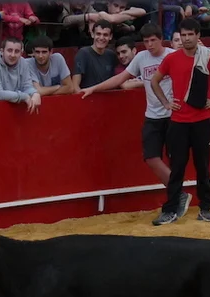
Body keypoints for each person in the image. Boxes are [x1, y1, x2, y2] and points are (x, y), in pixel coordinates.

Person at [81, 24, 190, 214]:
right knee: (151, 157)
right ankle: (179, 193)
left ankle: (177, 198)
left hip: (173, 115)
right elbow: (120, 79)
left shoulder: (173, 55)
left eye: (153, 40)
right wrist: (94, 88)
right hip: (153, 115)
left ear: (161, 39)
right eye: (146, 41)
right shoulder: (141, 58)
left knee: (174, 159)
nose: (149, 45)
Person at [150, 18, 210, 225]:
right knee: (177, 167)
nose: (186, 39)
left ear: (197, 36)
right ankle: (170, 209)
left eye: (190, 35)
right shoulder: (172, 59)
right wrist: (166, 102)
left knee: (202, 166)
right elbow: (154, 81)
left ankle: (205, 208)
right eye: (183, 35)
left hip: (201, 121)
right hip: (178, 121)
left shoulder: (208, 57)